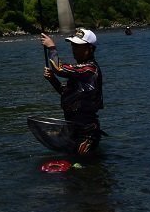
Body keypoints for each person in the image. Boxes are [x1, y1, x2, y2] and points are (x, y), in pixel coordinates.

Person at [40, 28, 103, 157]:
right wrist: (53, 80)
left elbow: (58, 68)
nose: (74, 49)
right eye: (73, 46)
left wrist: (51, 48)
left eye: (78, 46)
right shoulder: (79, 72)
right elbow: (66, 93)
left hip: (86, 134)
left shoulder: (89, 69)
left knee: (84, 170)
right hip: (73, 130)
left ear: (90, 48)